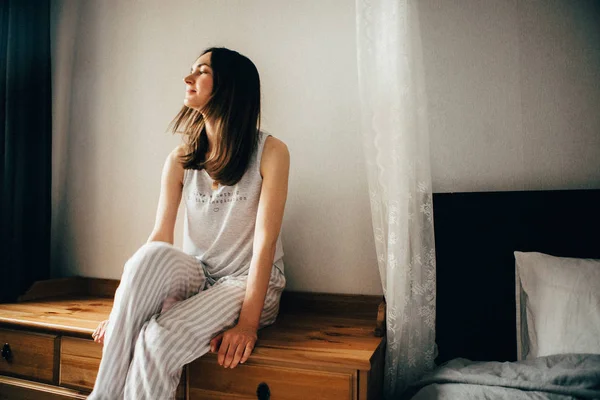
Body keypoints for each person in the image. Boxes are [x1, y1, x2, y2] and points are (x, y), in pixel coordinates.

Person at [87, 47, 289, 399]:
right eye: (192, 69)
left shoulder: (271, 152)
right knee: (149, 256)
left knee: (158, 339)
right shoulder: (181, 158)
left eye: (202, 70)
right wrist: (123, 315)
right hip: (200, 278)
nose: (188, 77)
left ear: (229, 85)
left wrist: (247, 325)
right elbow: (160, 237)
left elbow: (265, 245)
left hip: (248, 283)